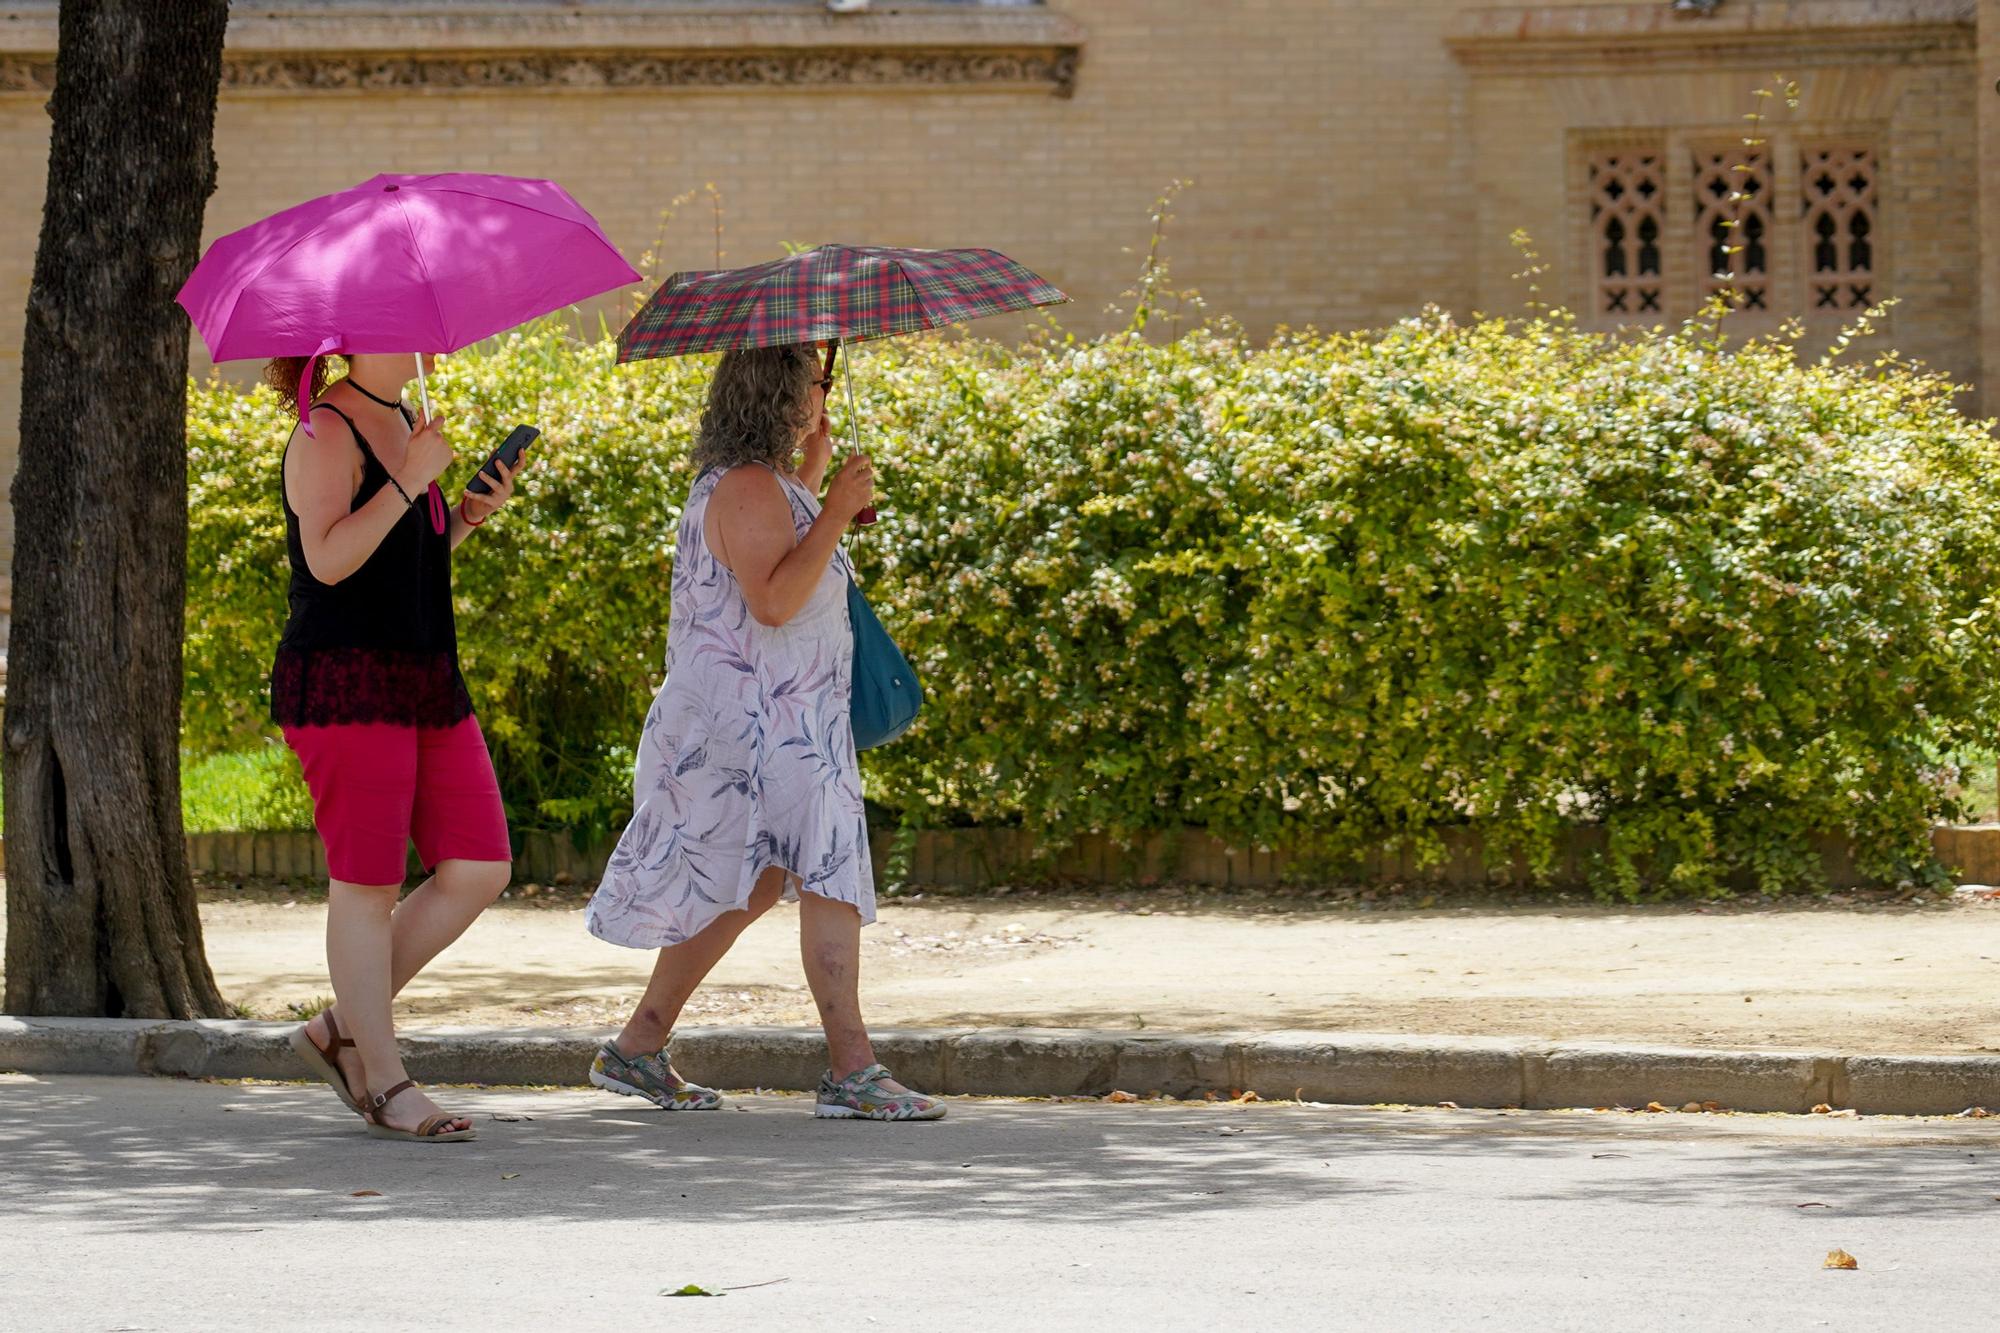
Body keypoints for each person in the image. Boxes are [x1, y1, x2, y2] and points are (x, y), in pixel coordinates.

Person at [585, 344, 943, 1121]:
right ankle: (852, 1070)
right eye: (815, 380)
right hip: (767, 727)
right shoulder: (748, 487)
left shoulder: (764, 485)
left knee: (746, 883)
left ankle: (638, 1048)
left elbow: (777, 554)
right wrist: (839, 509)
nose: (825, 390)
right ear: (779, 391)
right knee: (827, 872)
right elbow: (774, 599)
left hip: (774, 719)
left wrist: (812, 481)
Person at [275, 351, 526, 1142]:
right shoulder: (325, 429)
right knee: (366, 885)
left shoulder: (406, 422)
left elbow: (397, 567)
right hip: (347, 680)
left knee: (481, 866)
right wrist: (409, 480)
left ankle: (340, 1028)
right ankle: (385, 1080)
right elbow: (328, 558)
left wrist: (468, 516)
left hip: (423, 675)